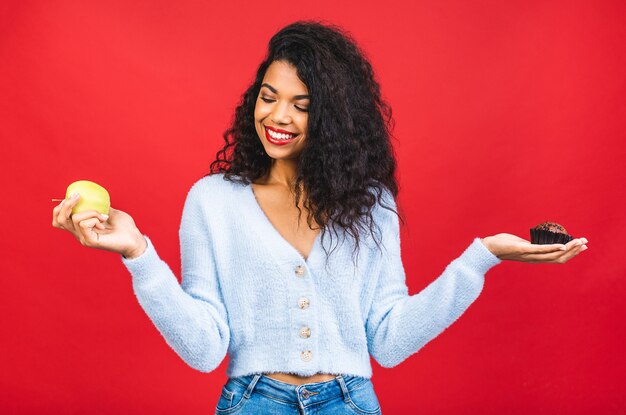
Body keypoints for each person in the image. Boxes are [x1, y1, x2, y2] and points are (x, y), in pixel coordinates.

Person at [52, 21, 588, 415]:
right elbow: (204, 348)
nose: (278, 117)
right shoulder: (211, 201)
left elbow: (389, 339)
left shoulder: (371, 204)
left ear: (333, 117)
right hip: (252, 401)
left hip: (350, 401)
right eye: (269, 97)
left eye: (301, 104)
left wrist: (482, 258)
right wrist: (138, 255)